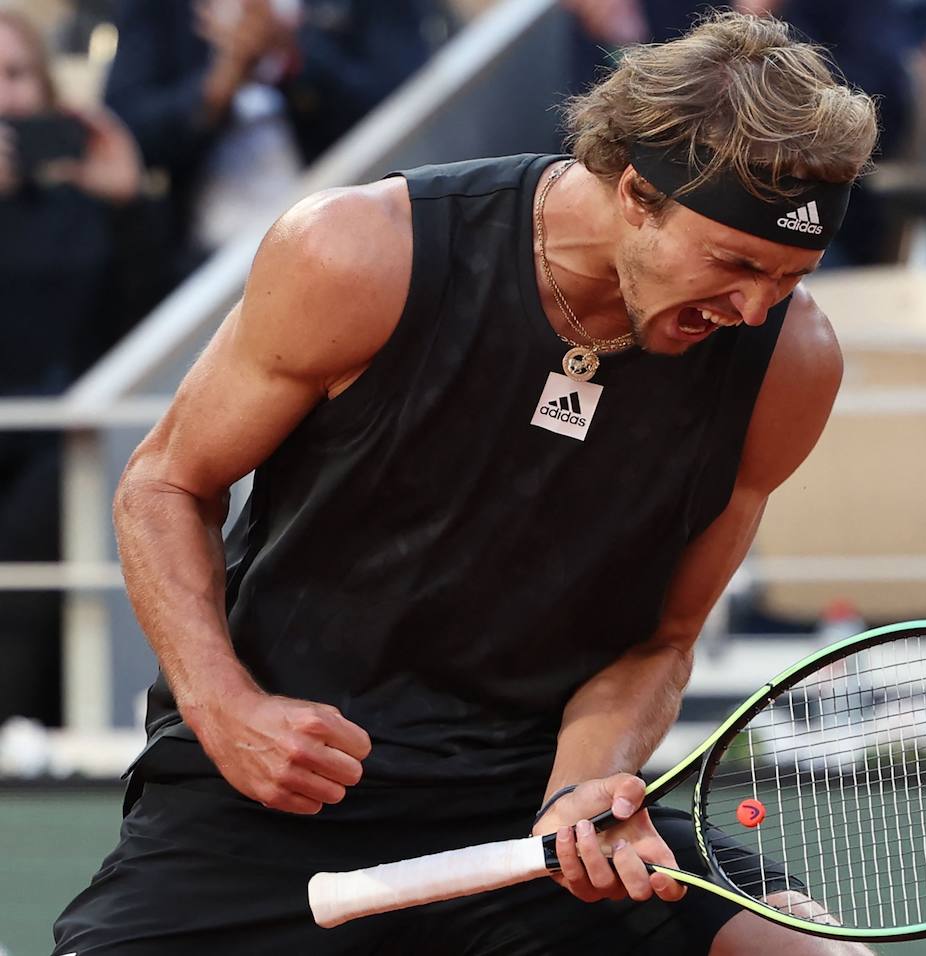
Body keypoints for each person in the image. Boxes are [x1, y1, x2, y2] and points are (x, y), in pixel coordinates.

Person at [53, 12, 879, 954]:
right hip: (284, 784)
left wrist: (582, 788)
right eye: (736, 262)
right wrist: (223, 707)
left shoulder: (789, 361)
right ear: (636, 194)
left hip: (526, 806)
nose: (756, 306)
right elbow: (163, 485)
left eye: (790, 275)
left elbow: (663, 636)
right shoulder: (361, 252)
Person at [0, 7, 149, 726]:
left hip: (59, 450)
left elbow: (144, 323)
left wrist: (130, 201)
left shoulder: (85, 207)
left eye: (13, 75)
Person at [103, 0, 447, 279]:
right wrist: (214, 91)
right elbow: (122, 137)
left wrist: (293, 60)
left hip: (355, 247)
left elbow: (410, 108)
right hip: (205, 267)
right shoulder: (157, 10)